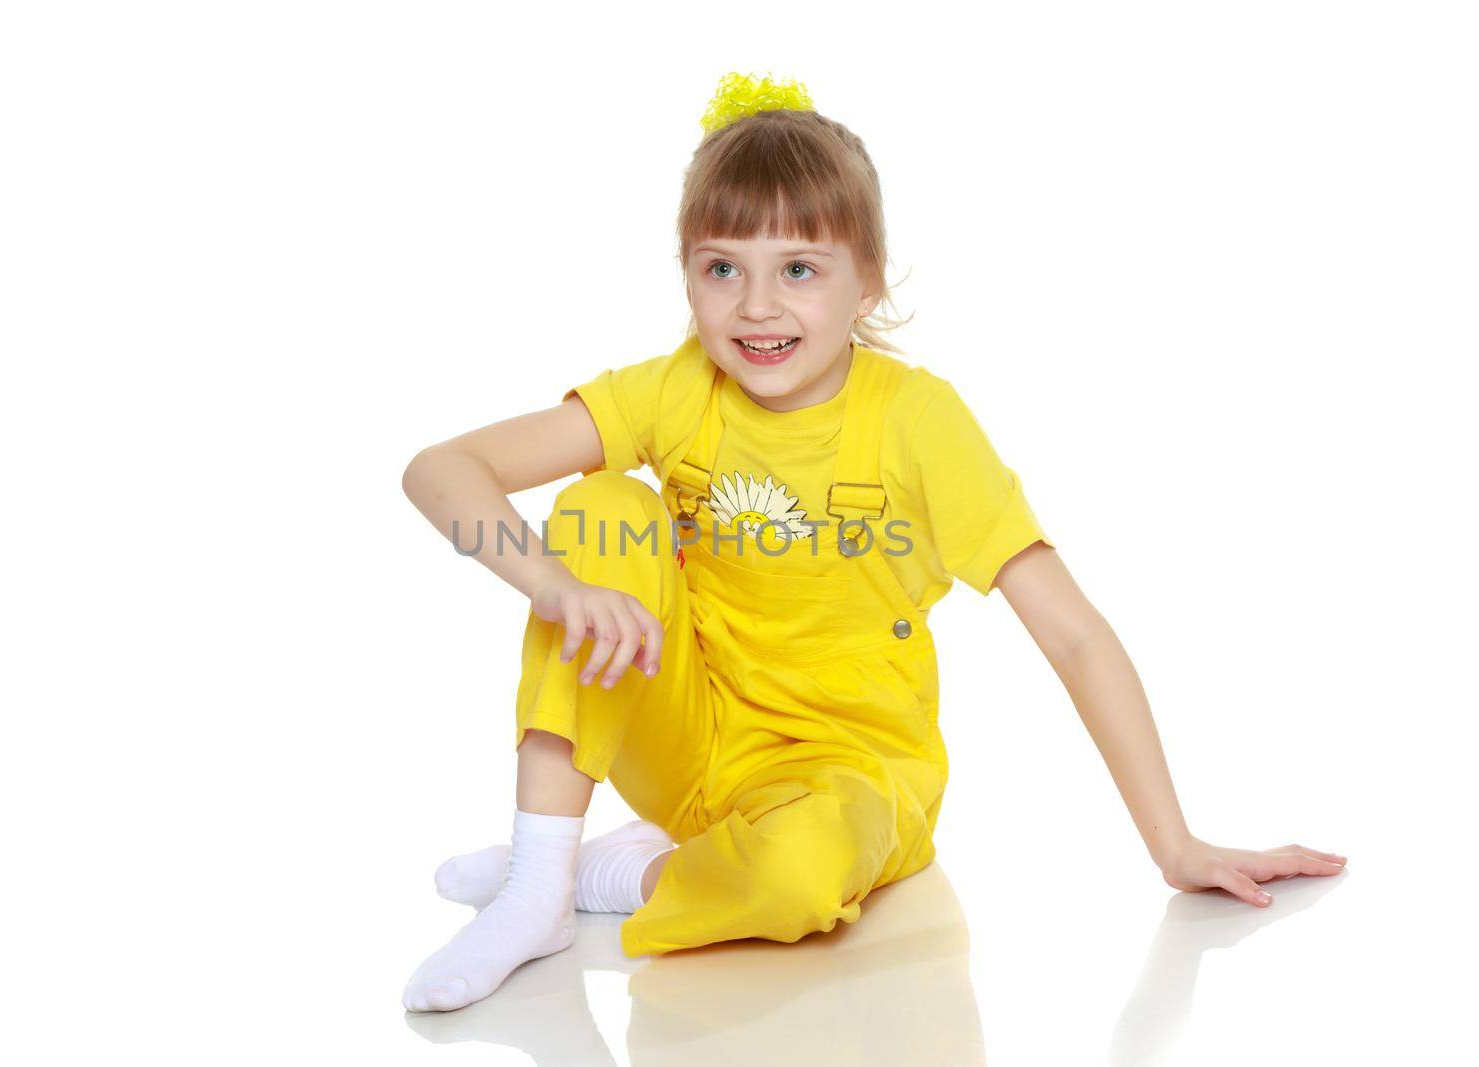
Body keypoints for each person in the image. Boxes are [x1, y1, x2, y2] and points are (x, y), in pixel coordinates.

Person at [398, 72, 1347, 1014]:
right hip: (690, 738)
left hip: (850, 776)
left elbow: (1074, 635)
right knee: (605, 506)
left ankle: (601, 876)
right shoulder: (679, 388)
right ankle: (537, 883)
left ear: (868, 279)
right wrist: (553, 586)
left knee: (800, 879)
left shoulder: (918, 423)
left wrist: (1175, 845)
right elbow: (443, 469)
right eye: (722, 267)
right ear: (685, 272)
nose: (756, 307)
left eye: (799, 269)